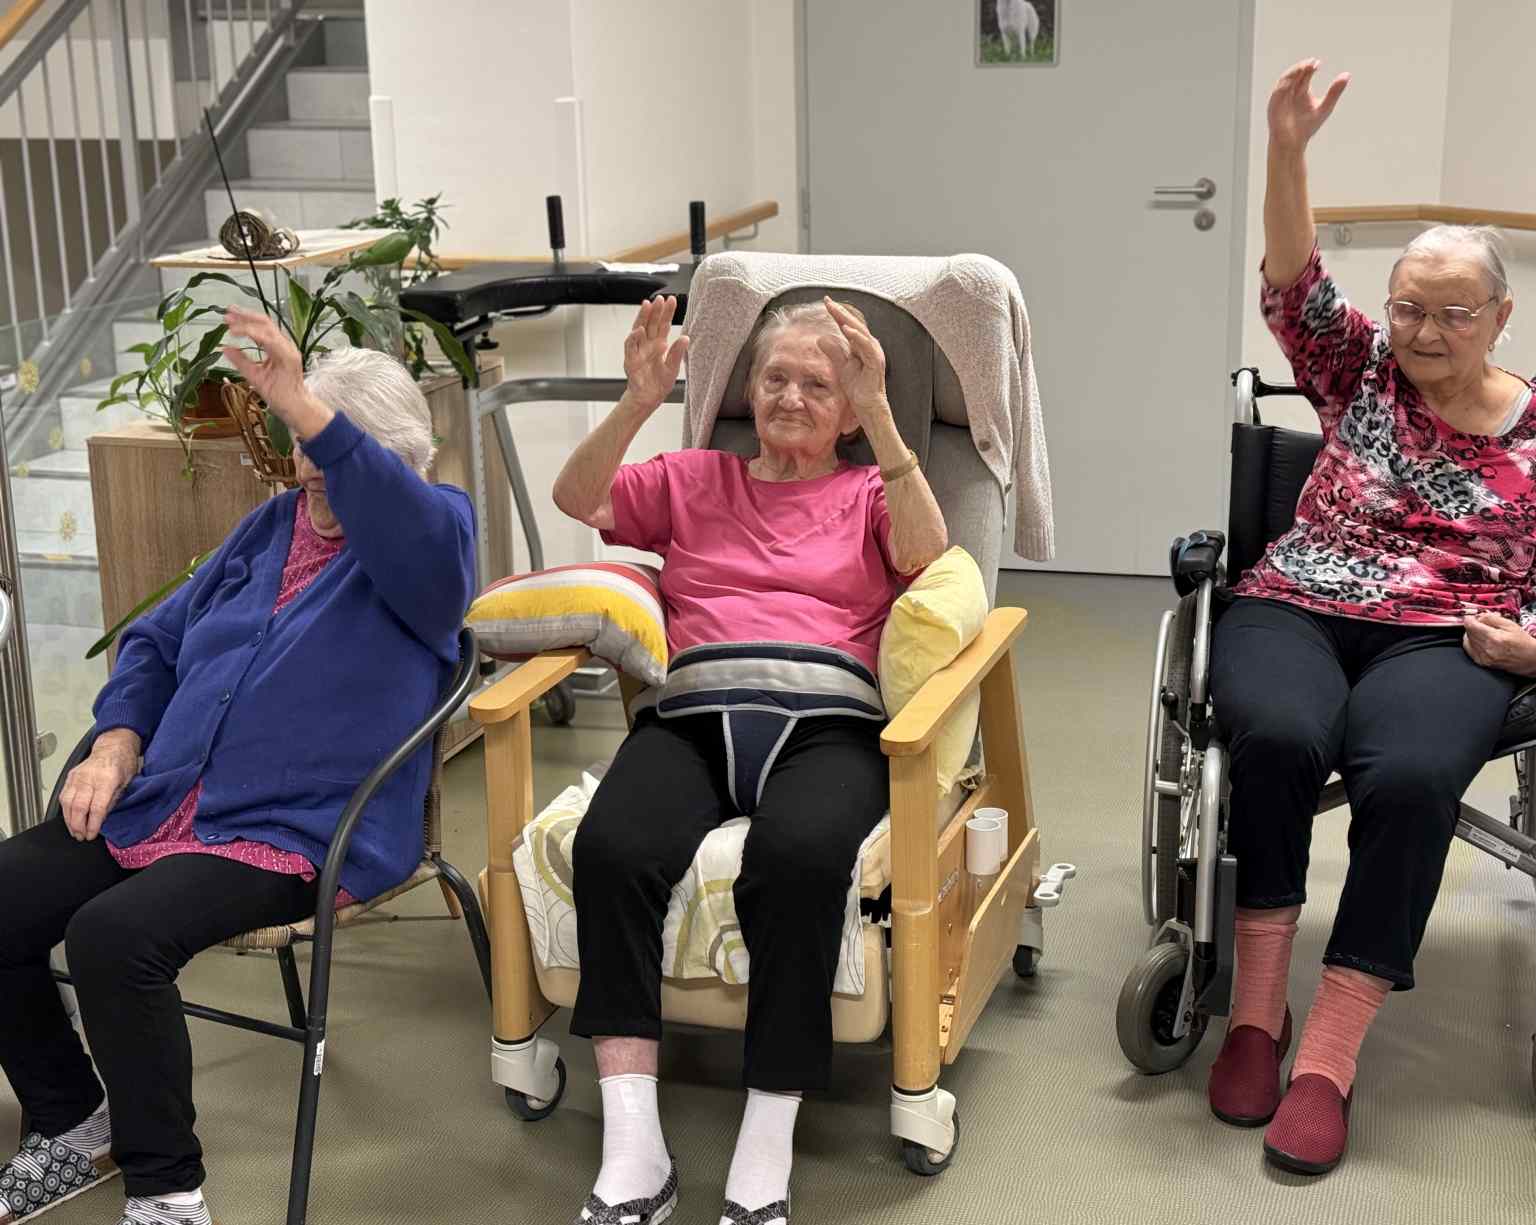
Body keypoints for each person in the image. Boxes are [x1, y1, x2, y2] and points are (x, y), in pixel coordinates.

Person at [0, 308, 474, 1225]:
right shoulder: (269, 529)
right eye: (302, 450)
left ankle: (168, 1192)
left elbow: (408, 524)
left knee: (113, 936)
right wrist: (117, 739)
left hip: (292, 827)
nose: (310, 471)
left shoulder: (433, 539)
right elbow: (155, 640)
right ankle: (73, 1118)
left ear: (396, 462)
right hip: (168, 799)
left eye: (330, 452)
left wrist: (302, 404)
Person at [1204, 59, 1536, 1175]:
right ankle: (1256, 1012)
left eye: (1449, 313)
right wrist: (1286, 152)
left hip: (1451, 631)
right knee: (1274, 735)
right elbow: (1293, 283)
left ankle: (1327, 1055)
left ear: (1499, 317)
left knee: (1413, 777)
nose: (1419, 331)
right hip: (1299, 599)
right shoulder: (1359, 369)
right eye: (1406, 307)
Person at [553, 294, 948, 1225]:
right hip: (692, 716)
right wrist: (637, 399)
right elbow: (580, 499)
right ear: (747, 390)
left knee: (798, 859)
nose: (791, 397)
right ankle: (634, 1149)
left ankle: (764, 1147)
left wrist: (881, 412)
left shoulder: (869, 490)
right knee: (611, 847)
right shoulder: (694, 478)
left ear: (847, 410)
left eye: (819, 384)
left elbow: (929, 556)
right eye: (774, 377)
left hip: (828, 722)